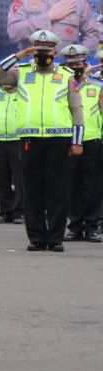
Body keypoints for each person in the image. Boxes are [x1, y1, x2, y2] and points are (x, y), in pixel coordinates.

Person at [0, 30, 84, 252]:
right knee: (32, 190)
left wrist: (77, 142)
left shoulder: (66, 76)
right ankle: (37, 238)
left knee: (57, 190)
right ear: (33, 51)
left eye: (47, 51)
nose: (42, 55)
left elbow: (77, 110)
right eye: (38, 51)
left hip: (58, 140)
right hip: (30, 139)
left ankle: (55, 238)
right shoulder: (21, 73)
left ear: (55, 52)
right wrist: (20, 55)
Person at [60, 44, 103, 243]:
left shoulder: (97, 85)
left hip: (93, 142)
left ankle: (92, 227)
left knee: (93, 187)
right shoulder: (60, 86)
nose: (75, 67)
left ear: (85, 64)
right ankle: (74, 226)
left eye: (78, 63)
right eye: (70, 64)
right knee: (72, 186)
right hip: (68, 143)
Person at [0, 76, 24, 225]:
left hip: (17, 139)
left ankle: (19, 212)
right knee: (2, 178)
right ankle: (5, 211)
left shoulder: (23, 92)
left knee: (19, 179)